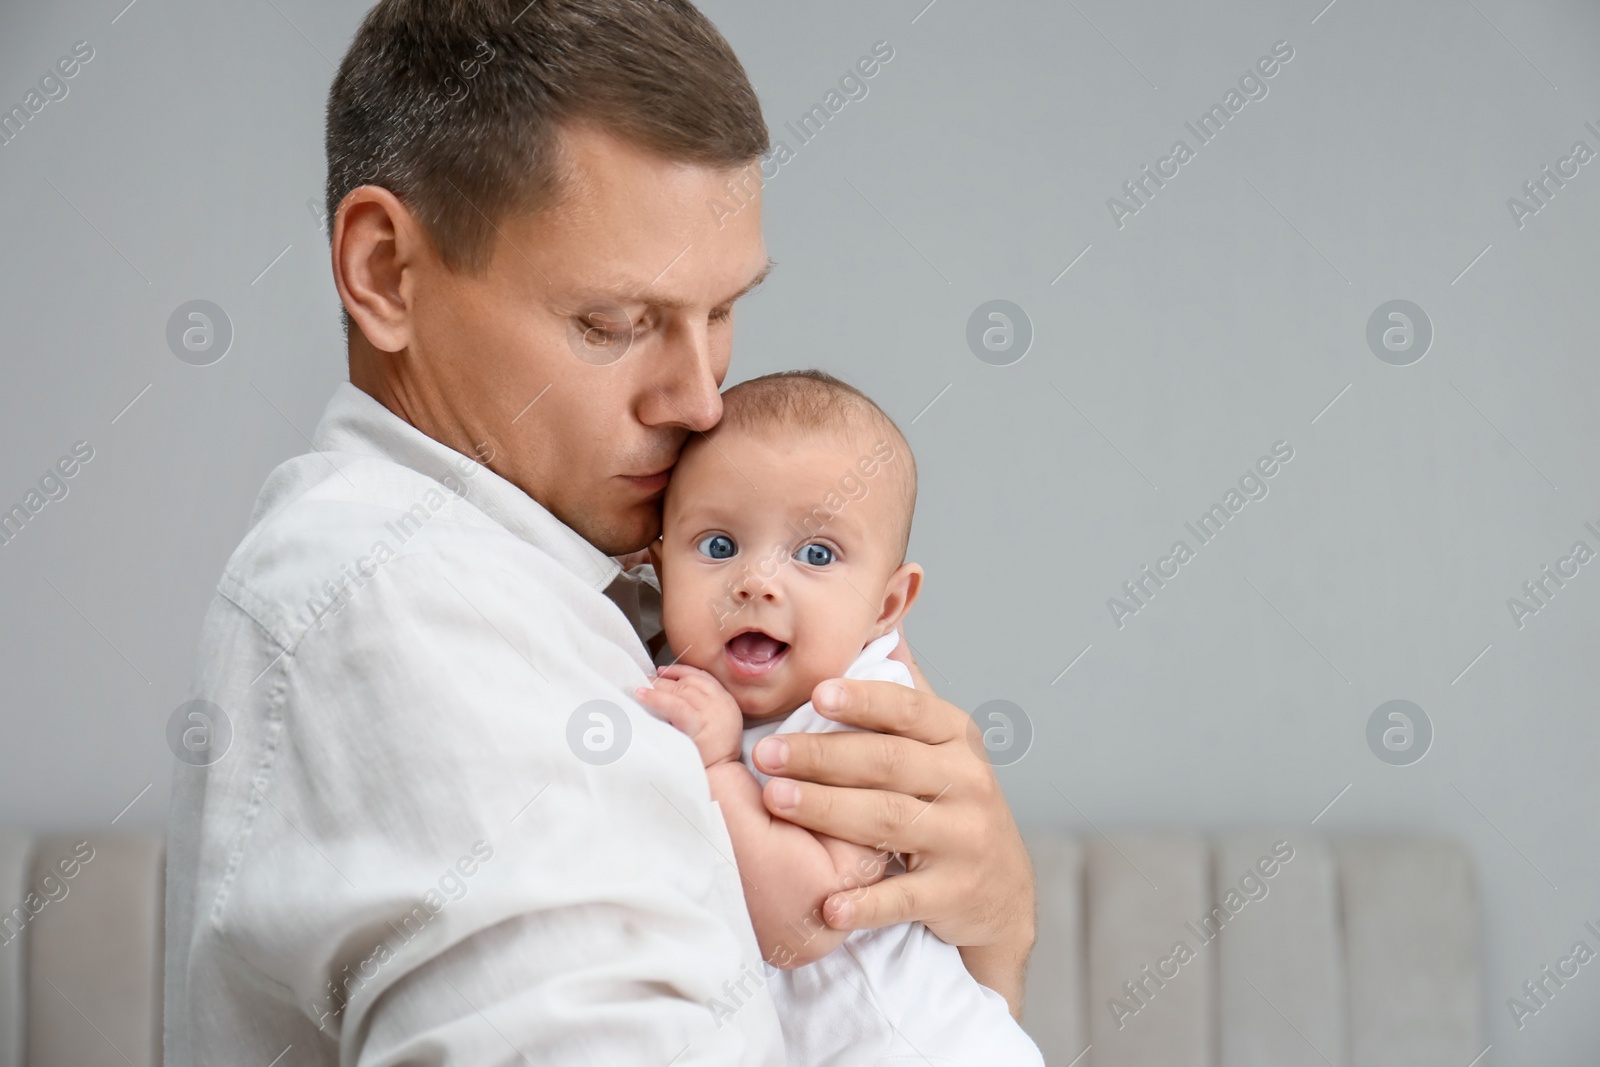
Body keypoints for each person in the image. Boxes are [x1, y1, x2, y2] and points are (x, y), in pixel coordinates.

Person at [164, 1, 1035, 1063]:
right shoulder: (399, 597)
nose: (700, 398)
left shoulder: (611, 593)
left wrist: (992, 932)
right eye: (613, 325)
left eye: (718, 313)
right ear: (388, 271)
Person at [637, 370, 1045, 1065]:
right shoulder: (692, 683)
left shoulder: (861, 713)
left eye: (817, 554)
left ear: (886, 607)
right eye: (717, 545)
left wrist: (716, 768)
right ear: (659, 569)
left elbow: (806, 921)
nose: (757, 580)